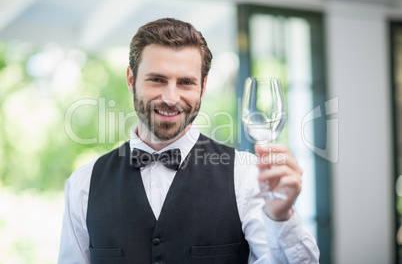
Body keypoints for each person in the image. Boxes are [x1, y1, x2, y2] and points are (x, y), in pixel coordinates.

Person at [58, 18, 319, 263]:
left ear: (203, 87)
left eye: (185, 82)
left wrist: (282, 218)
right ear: (131, 79)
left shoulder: (247, 176)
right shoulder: (83, 184)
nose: (171, 98)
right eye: (157, 80)